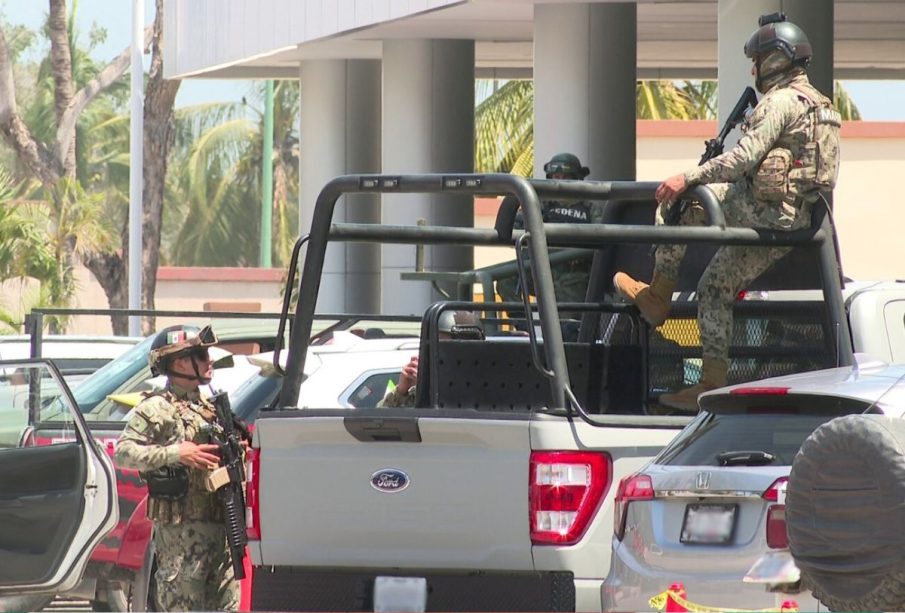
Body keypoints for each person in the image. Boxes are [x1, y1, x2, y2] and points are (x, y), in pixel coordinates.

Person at [613, 12, 841, 412]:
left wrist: (687, 177)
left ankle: (658, 297)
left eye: (757, 59)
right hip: (798, 219)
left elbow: (741, 160)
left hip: (767, 210)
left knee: (680, 202)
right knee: (714, 287)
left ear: (774, 59)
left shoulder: (781, 102)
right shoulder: (821, 104)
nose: (754, 67)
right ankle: (709, 384)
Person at [114, 325, 242, 611]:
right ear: (179, 362)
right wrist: (177, 453)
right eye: (200, 354)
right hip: (182, 538)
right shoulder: (157, 407)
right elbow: (123, 453)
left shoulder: (210, 408)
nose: (209, 360)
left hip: (221, 530)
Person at [497, 152, 605, 308]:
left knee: (566, 308)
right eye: (555, 176)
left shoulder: (591, 205)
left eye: (564, 177)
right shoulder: (541, 203)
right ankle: (524, 327)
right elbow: (517, 227)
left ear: (575, 177)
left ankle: (569, 331)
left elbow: (601, 237)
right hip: (542, 265)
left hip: (575, 272)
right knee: (506, 279)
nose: (558, 181)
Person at [378, 310, 484, 408]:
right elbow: (381, 419)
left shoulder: (487, 388)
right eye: (435, 346)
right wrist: (401, 391)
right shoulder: (425, 392)